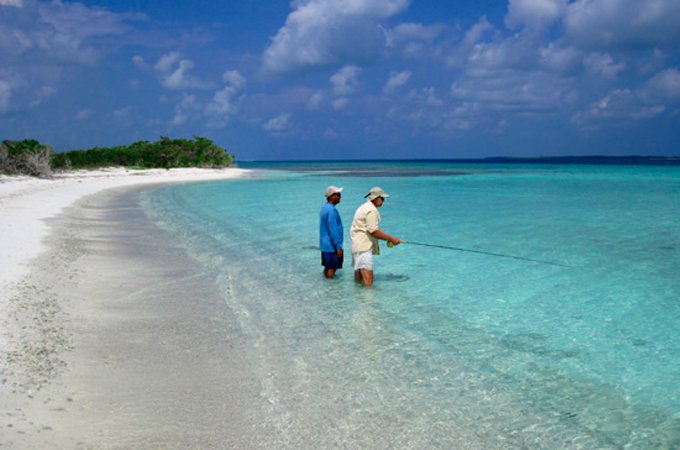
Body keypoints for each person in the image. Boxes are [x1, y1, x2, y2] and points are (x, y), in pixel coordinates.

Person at [350, 186, 401, 287]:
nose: (383, 201)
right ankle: (369, 302)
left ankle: (358, 301)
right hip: (363, 247)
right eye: (382, 198)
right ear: (377, 198)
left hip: (356, 246)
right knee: (368, 281)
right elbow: (374, 231)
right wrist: (392, 239)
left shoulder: (363, 207)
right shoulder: (371, 210)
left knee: (359, 280)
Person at [319, 185, 344, 278]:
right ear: (332, 196)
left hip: (325, 245)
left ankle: (326, 288)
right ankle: (331, 290)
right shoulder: (332, 211)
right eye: (338, 195)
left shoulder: (324, 208)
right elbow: (333, 230)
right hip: (331, 246)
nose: (340, 197)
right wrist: (338, 247)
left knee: (328, 267)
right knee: (332, 268)